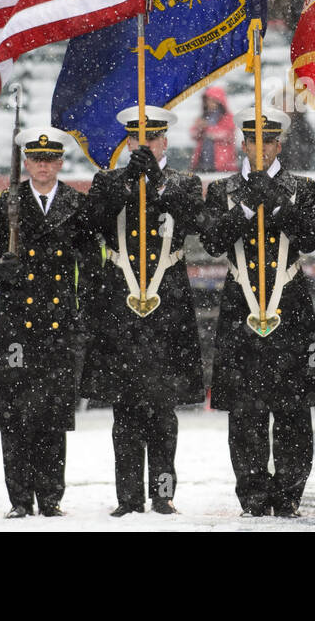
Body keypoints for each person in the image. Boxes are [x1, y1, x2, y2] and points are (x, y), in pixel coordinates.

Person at [80, 107, 205, 517]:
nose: (145, 144)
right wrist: (127, 182)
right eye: (138, 139)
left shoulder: (184, 183)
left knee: (163, 410)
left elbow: (191, 219)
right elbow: (92, 223)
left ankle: (163, 493)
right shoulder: (108, 181)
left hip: (166, 303)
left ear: (164, 140)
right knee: (125, 409)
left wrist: (153, 179)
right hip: (121, 305)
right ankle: (127, 497)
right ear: (128, 142)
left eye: (152, 138)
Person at [199, 106, 315, 517]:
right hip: (241, 307)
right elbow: (214, 241)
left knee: (292, 407)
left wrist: (278, 204)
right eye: (252, 140)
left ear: (279, 143)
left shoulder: (301, 187)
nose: (260, 148)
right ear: (244, 144)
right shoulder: (223, 190)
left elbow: (308, 238)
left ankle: (289, 493)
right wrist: (247, 207)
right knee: (245, 411)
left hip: (289, 305)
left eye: (268, 141)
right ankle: (252, 494)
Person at [0, 127, 95, 518]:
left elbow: (89, 265)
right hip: (17, 324)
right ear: (25, 162)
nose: (43, 167)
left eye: (50, 160)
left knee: (53, 414)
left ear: (60, 162)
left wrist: (81, 312)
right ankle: (19, 499)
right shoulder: (3, 204)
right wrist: (3, 268)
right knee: (15, 415)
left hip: (59, 321)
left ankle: (50, 497)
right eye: (36, 159)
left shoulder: (76, 206)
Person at [189, 87, 236, 173]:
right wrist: (199, 128)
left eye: (213, 100)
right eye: (207, 100)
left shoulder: (227, 117)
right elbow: (193, 134)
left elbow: (227, 135)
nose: (209, 103)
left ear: (220, 101)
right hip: (202, 162)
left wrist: (207, 128)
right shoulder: (204, 116)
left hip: (222, 164)